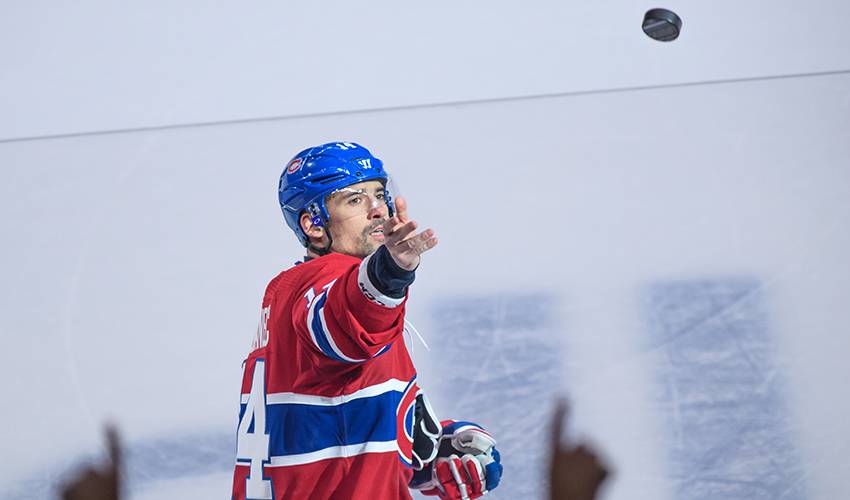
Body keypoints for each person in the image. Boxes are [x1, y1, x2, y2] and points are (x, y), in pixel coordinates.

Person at [231, 142, 503, 500]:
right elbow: (346, 325)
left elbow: (332, 426)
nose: (378, 209)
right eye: (355, 199)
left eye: (379, 193)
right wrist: (390, 272)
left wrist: (430, 455)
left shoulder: (285, 295)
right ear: (313, 223)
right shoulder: (324, 279)